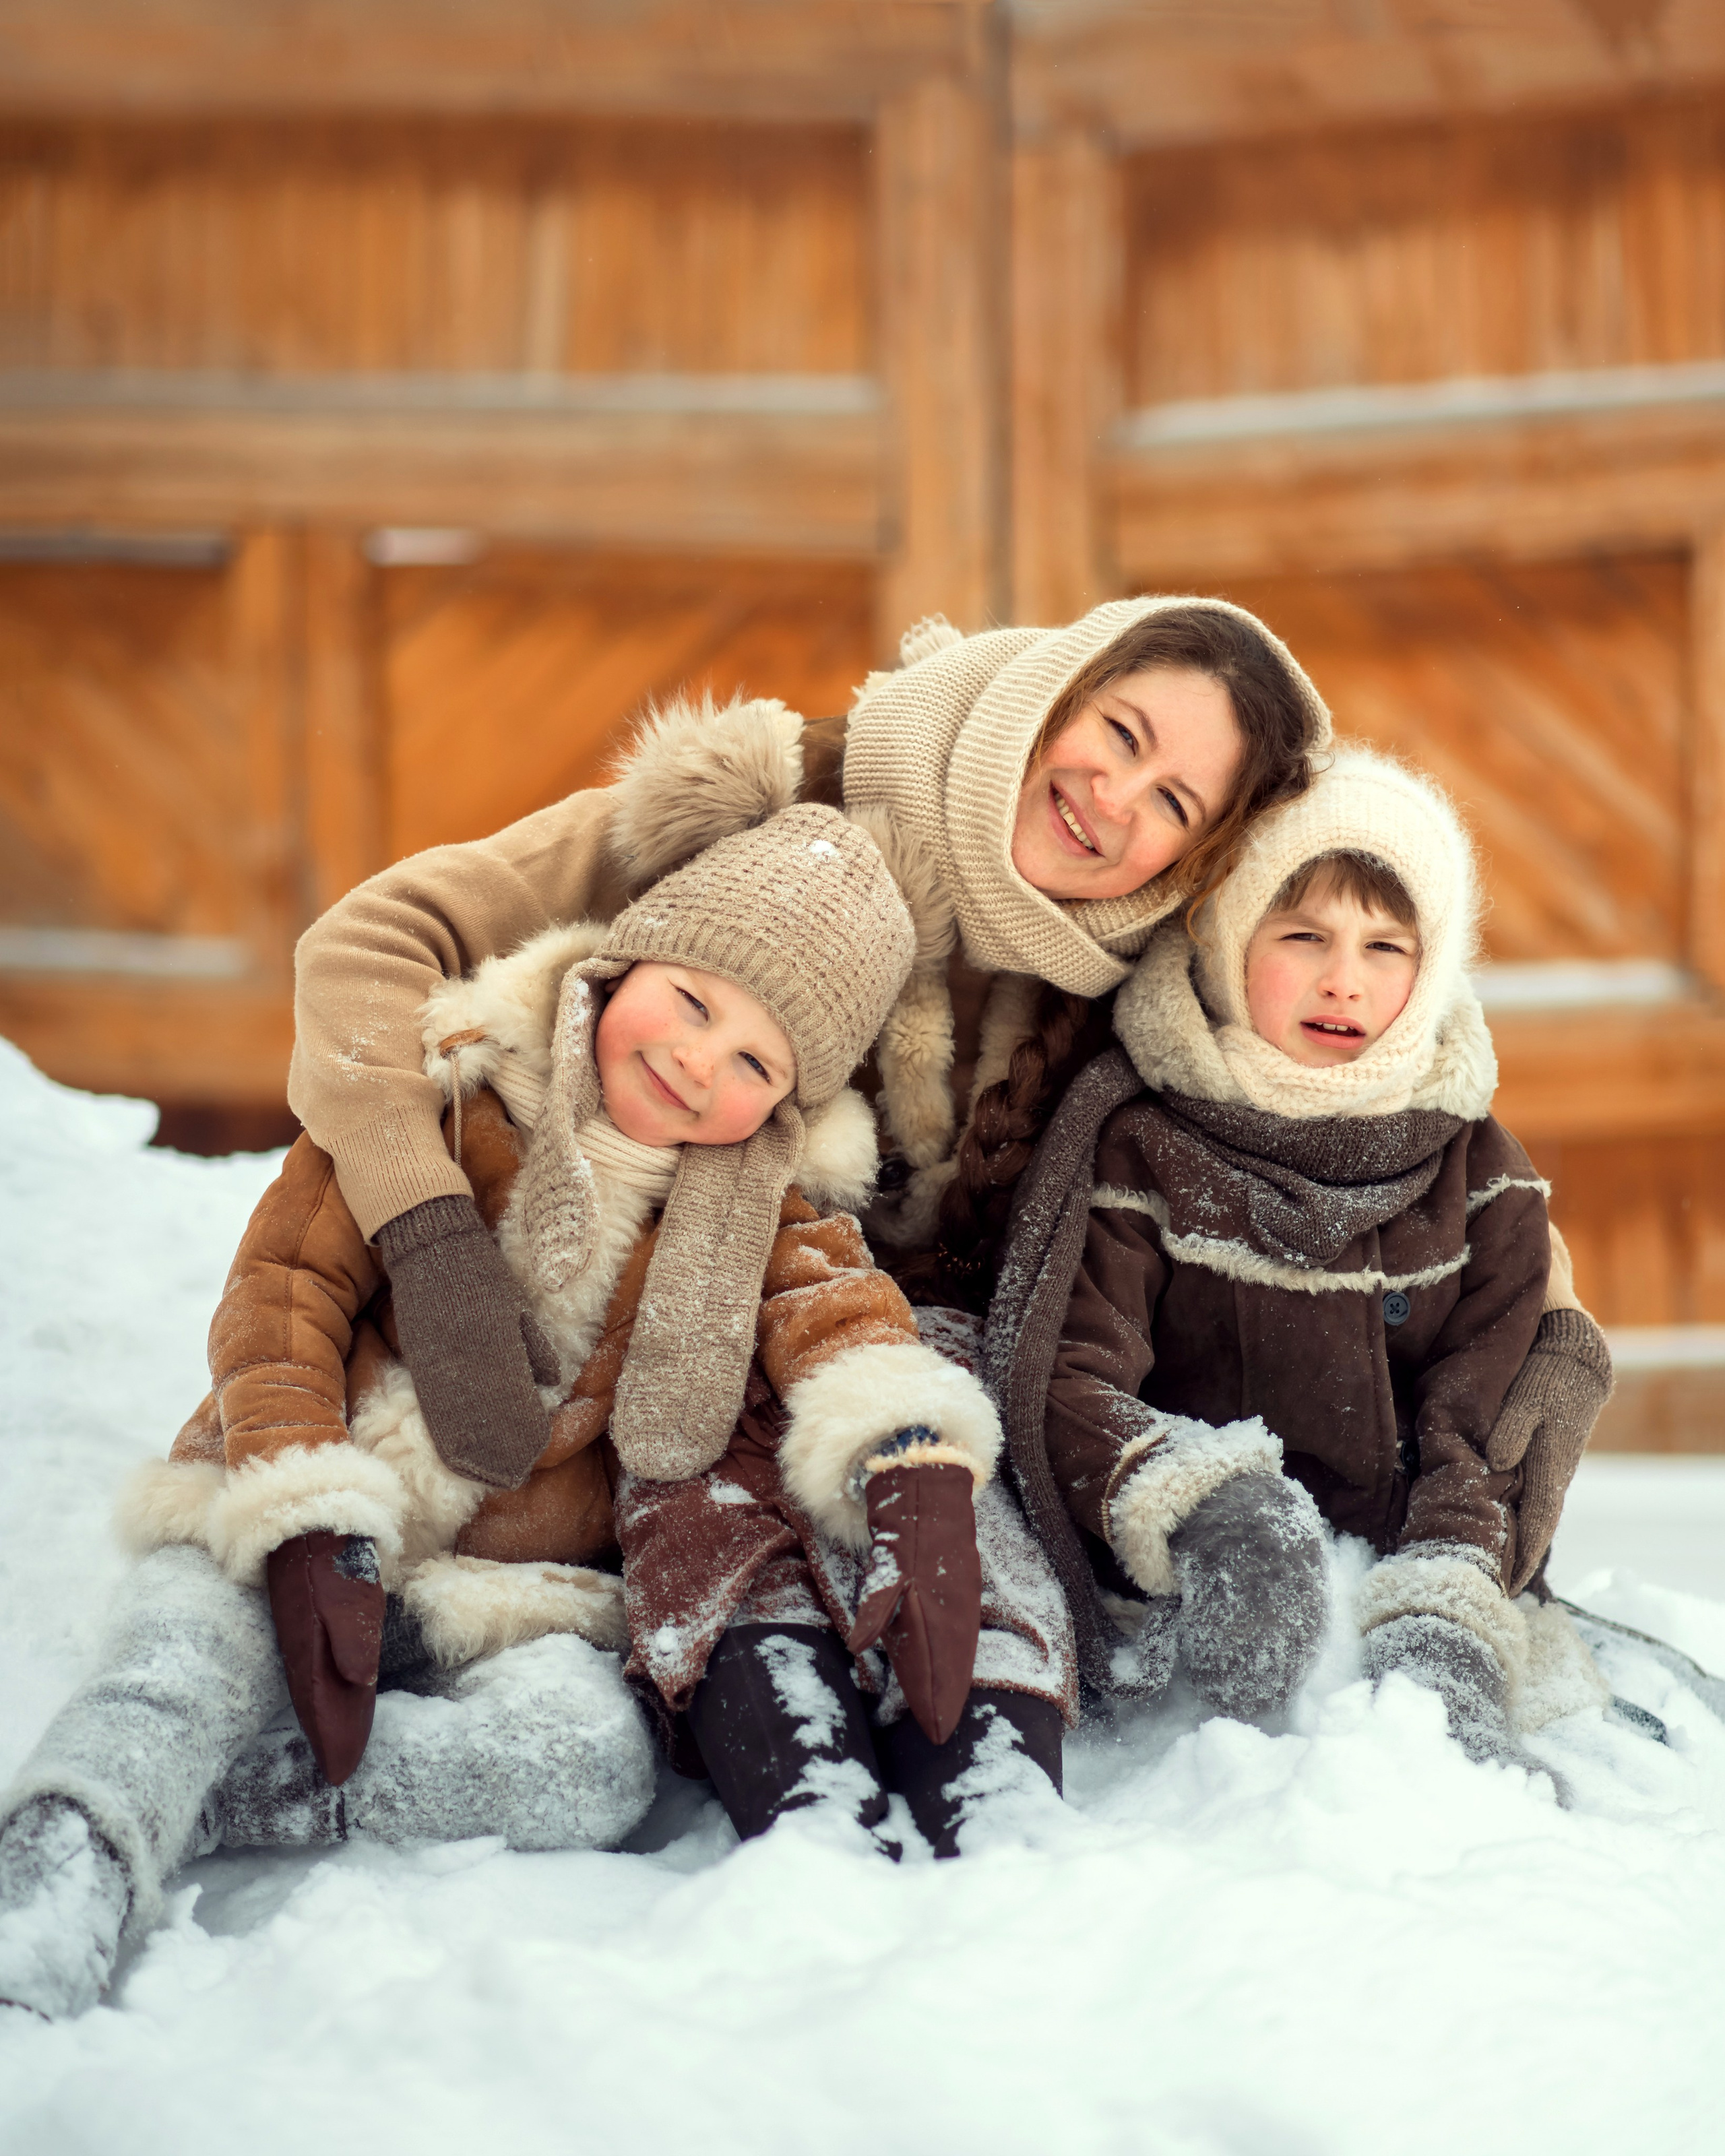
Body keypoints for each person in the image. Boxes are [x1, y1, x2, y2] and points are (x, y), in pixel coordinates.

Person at [0, 802, 1068, 2021]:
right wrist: (300, 1507)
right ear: (625, 960)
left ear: (788, 1103)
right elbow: (283, 1291)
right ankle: (70, 1852)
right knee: (176, 1664)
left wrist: (914, 1465)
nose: (699, 1063)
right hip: (287, 1500)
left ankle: (248, 1788)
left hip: (512, 1587)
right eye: (697, 1001)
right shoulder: (448, 1091)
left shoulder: (764, 1206)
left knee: (590, 1765)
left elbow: (847, 1319)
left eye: (758, 1064)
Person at [280, 600, 1332, 1577]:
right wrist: (430, 1235)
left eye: (1174, 804)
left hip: (846, 1411)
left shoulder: (1134, 980)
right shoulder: (770, 803)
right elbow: (369, 942)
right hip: (556, 1361)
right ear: (1060, 690)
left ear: (1195, 862)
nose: (1112, 798)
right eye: (1121, 734)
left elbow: (1368, 972)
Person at [987, 747, 1615, 1775]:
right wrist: (1204, 1508)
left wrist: (1449, 1595)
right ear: (1230, 939)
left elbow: (1483, 1404)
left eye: (1386, 946)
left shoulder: (1473, 1161)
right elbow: (1072, 1370)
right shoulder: (1146, 1144)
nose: (1343, 979)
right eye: (1303, 935)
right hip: (1199, 1574)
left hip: (1400, 1555)